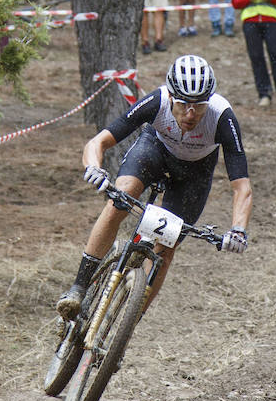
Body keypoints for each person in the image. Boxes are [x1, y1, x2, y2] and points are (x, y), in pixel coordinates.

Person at [55, 54, 251, 319]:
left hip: (195, 172)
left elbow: (241, 187)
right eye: (183, 104)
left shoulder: (222, 117)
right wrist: (94, 168)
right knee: (120, 197)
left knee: (165, 248)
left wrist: (238, 229)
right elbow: (97, 143)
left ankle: (126, 324)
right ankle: (78, 288)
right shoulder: (156, 101)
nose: (191, 114)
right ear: (171, 96)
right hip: (155, 151)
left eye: (199, 106)